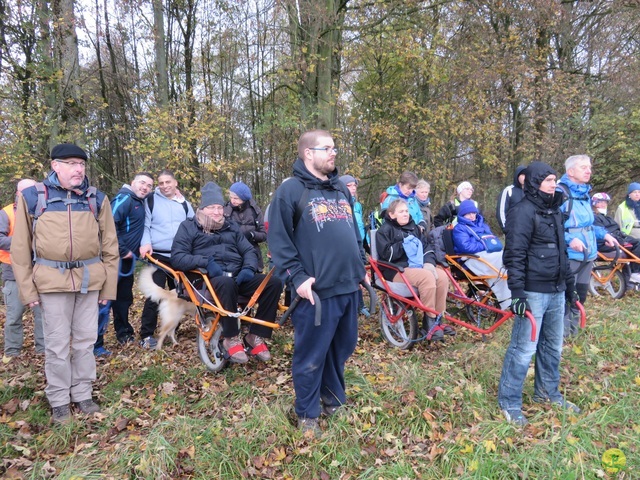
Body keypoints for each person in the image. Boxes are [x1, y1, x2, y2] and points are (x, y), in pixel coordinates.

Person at [267, 129, 366, 436]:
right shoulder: (291, 191)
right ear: (308, 153)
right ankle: (307, 414)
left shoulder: (341, 190)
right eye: (327, 148)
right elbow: (279, 241)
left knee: (341, 349)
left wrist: (360, 269)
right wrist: (297, 277)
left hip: (348, 286)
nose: (333, 153)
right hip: (315, 294)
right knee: (311, 355)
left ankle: (333, 400)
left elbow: (352, 235)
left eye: (335, 147)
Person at [10, 144, 119, 423]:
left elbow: (110, 246)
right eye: (71, 163)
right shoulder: (33, 197)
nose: (79, 169)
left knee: (85, 342)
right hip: (50, 282)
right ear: (55, 166)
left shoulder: (97, 198)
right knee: (57, 344)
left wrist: (108, 287)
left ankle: (82, 393)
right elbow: (21, 248)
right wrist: (27, 289)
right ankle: (59, 398)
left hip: (89, 281)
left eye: (82, 164)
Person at [498, 161, 579, 426]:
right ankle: (509, 402)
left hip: (555, 289)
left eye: (555, 179)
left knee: (553, 346)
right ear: (534, 182)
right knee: (523, 349)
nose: (553, 183)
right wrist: (517, 293)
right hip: (532, 290)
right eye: (548, 180)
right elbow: (515, 254)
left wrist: (570, 286)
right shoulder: (522, 211)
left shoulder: (555, 210)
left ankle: (547, 393)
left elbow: (562, 252)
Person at [171, 182, 283, 363]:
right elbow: (177, 257)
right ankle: (231, 337)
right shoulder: (189, 227)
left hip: (237, 276)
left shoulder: (231, 227)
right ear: (202, 208)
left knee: (274, 283)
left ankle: (255, 335)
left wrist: (248, 268)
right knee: (226, 283)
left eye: (219, 207)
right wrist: (205, 262)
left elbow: (248, 250)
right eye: (211, 208)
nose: (216, 212)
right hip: (208, 279)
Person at [95, 173, 154, 355]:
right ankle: (95, 343)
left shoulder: (140, 201)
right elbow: (108, 227)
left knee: (124, 299)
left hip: (128, 261)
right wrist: (123, 250)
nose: (145, 187)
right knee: (105, 301)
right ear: (132, 183)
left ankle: (124, 334)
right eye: (142, 183)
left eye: (149, 185)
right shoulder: (123, 199)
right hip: (114, 260)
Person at [558, 155, 616, 337]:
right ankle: (560, 335)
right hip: (571, 256)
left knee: (580, 295)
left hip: (588, 255)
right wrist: (569, 240)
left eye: (589, 167)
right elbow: (550, 227)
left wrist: (604, 234)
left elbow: (588, 225)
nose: (588, 170)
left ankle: (573, 333)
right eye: (583, 167)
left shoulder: (584, 194)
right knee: (566, 296)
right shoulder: (560, 194)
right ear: (571, 172)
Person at [376, 199, 450, 340]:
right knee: (426, 277)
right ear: (392, 215)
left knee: (442, 276)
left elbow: (427, 247)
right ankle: (429, 323)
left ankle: (438, 319)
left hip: (417, 266)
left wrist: (429, 263)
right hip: (396, 269)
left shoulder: (414, 228)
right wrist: (404, 244)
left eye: (406, 211)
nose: (405, 214)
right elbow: (387, 254)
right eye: (401, 211)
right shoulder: (384, 230)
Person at [138, 170, 194, 348]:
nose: (164, 186)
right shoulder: (151, 200)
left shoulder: (184, 203)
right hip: (158, 255)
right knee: (156, 293)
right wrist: (145, 243)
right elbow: (145, 225)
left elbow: (194, 227)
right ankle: (146, 335)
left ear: (175, 183)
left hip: (180, 255)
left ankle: (172, 330)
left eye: (168, 182)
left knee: (181, 294)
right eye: (161, 183)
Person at [1, 179, 45, 363]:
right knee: (14, 315)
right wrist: (23, 242)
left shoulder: (42, 210)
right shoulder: (6, 213)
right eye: (26, 191)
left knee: (43, 314)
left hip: (40, 270)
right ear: (18, 193)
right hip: (13, 272)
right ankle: (12, 352)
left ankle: (43, 349)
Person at [452, 200, 511, 310]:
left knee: (506, 256)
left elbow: (493, 240)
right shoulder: (460, 228)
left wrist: (487, 244)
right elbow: (466, 247)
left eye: (473, 213)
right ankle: (505, 300)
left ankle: (509, 296)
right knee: (500, 262)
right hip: (470, 258)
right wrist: (484, 244)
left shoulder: (483, 224)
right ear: (462, 215)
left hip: (485, 255)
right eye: (468, 214)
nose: (472, 216)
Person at [592, 192, 640, 285]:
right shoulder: (593, 217)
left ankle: (632, 277)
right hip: (606, 243)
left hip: (618, 238)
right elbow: (600, 233)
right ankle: (634, 272)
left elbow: (616, 229)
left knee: (637, 243)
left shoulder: (607, 218)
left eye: (605, 202)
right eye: (600, 202)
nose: (603, 204)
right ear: (594, 203)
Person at [339, 174, 370, 318]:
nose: (352, 188)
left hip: (358, 244)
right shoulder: (340, 203)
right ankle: (353, 306)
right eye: (348, 186)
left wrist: (365, 243)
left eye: (354, 185)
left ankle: (361, 305)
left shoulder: (357, 205)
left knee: (359, 273)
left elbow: (359, 227)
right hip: (346, 246)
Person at [223, 181, 267, 272]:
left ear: (244, 198)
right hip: (232, 255)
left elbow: (264, 234)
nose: (232, 201)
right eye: (231, 197)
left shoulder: (255, 211)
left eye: (236, 198)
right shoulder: (225, 210)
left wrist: (252, 235)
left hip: (253, 253)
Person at [496, 165, 526, 234]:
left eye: (526, 175)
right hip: (513, 232)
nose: (525, 177)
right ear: (517, 176)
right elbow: (501, 212)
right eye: (522, 175)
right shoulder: (509, 190)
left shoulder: (531, 192)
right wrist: (506, 229)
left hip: (528, 233)